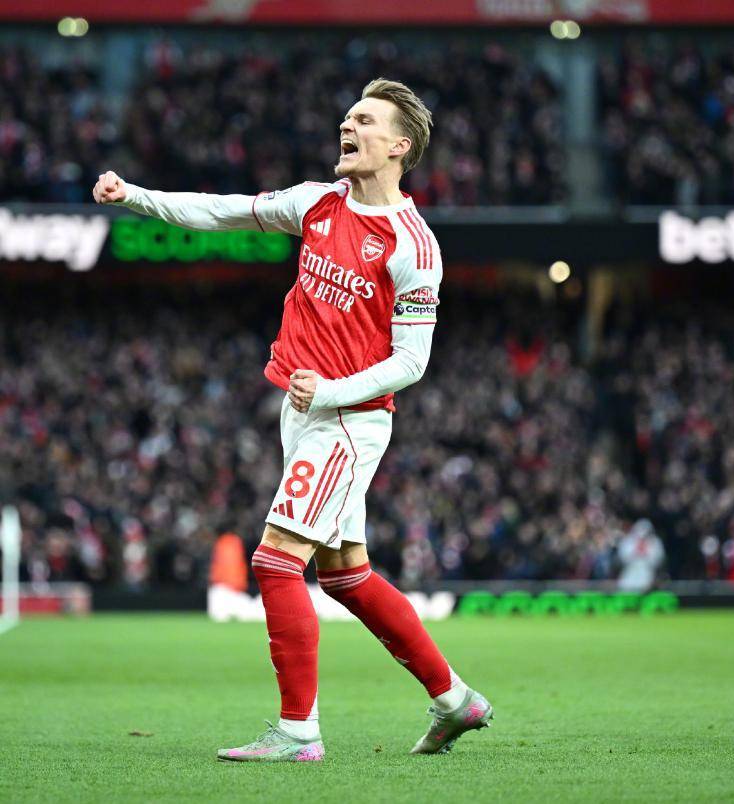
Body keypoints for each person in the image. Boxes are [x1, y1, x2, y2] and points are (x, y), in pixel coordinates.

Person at [93, 78, 493, 761]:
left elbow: (411, 362)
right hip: (303, 411)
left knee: (276, 559)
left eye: (364, 120)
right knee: (344, 574)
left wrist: (332, 390)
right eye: (347, 116)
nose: (347, 126)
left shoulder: (412, 246)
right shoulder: (316, 203)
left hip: (349, 421)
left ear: (399, 146)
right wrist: (134, 196)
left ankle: (298, 731)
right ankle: (456, 701)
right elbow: (223, 212)